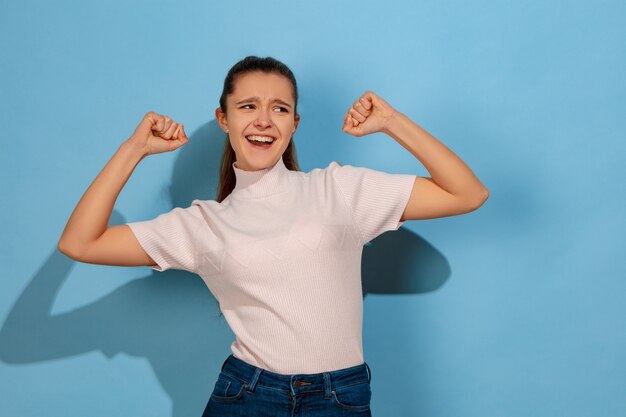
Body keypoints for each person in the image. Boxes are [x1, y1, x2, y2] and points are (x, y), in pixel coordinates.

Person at [58, 56, 489, 416]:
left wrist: (391, 121)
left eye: (279, 108)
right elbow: (80, 243)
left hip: (339, 397)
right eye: (248, 106)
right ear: (223, 119)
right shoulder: (200, 224)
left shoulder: (339, 189)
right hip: (247, 394)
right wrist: (134, 149)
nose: (264, 120)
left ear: (294, 123)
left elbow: (467, 192)